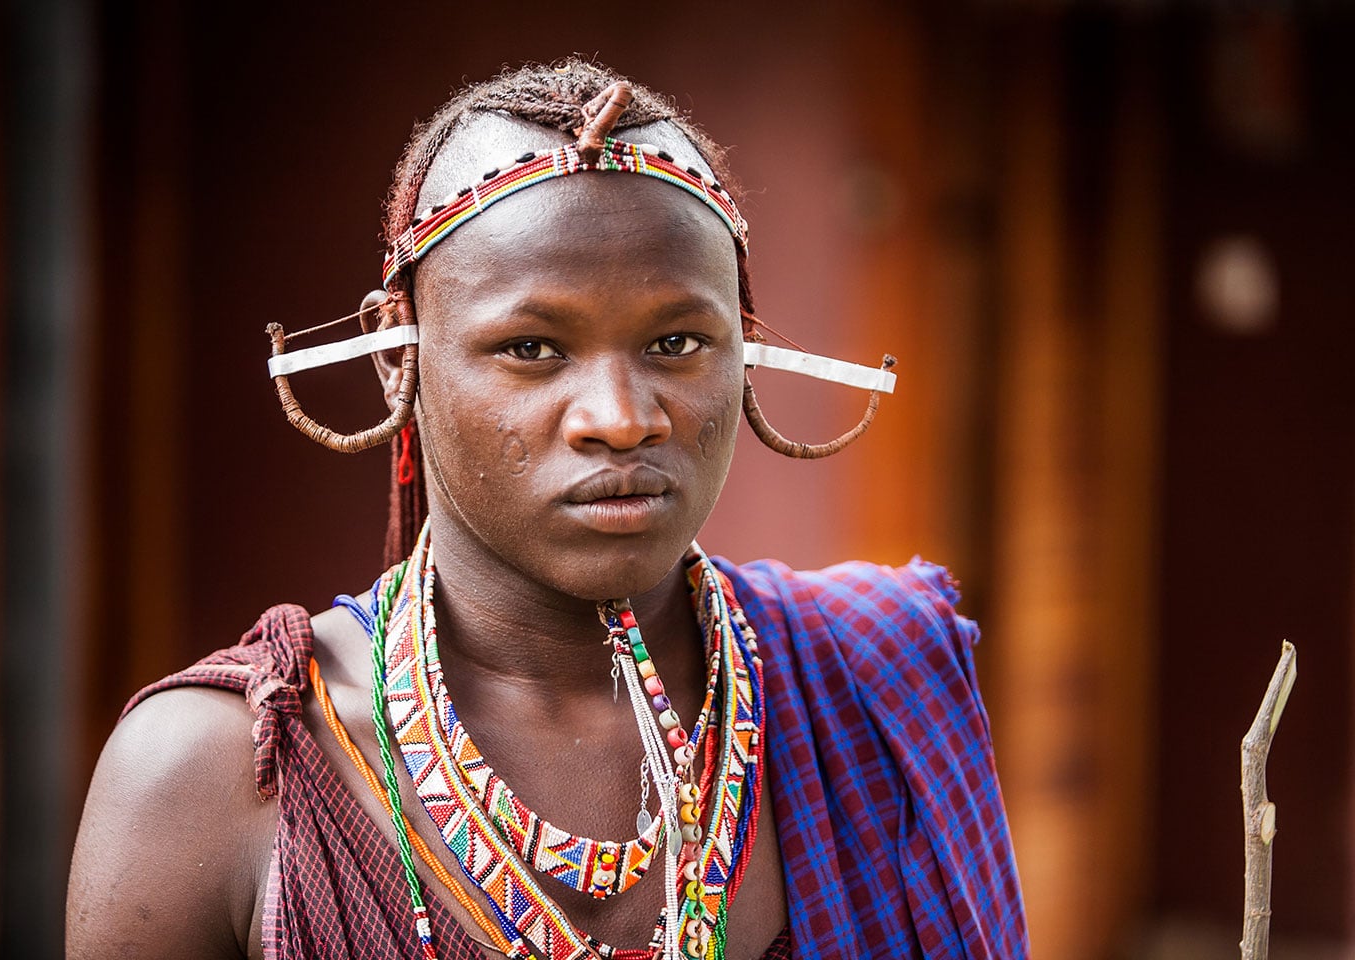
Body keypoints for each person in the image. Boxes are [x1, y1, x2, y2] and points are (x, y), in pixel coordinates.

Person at [67, 60, 1027, 960]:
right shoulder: (216, 776)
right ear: (396, 353)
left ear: (746, 347)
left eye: (679, 340)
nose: (620, 419)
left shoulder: (874, 680)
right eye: (532, 348)